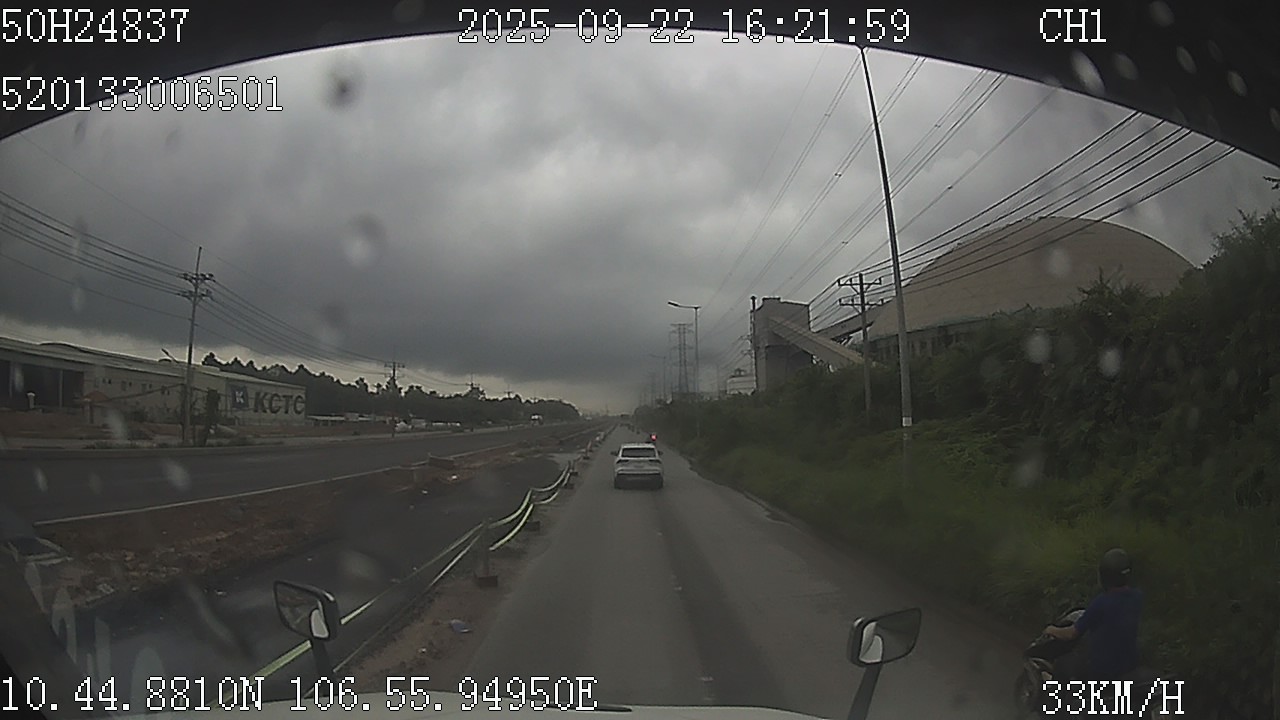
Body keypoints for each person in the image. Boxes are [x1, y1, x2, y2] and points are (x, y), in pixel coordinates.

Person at [1042, 547, 1144, 682]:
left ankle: (1057, 695)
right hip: (1128, 664)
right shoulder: (1136, 597)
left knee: (1063, 664)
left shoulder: (1101, 603)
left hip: (1101, 668)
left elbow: (1071, 634)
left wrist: (1052, 630)